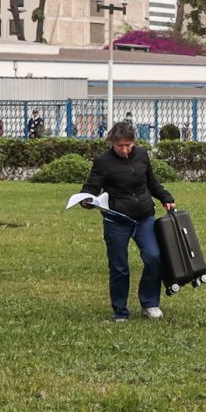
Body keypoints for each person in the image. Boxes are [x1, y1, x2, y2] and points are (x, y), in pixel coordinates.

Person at [79, 120, 176, 321]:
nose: (124, 149)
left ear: (134, 143)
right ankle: (120, 310)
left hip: (144, 217)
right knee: (119, 266)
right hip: (117, 221)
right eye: (120, 146)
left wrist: (166, 197)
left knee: (154, 257)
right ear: (112, 143)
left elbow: (151, 181)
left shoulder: (141, 155)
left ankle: (149, 303)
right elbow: (92, 186)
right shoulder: (103, 161)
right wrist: (86, 199)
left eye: (128, 145)